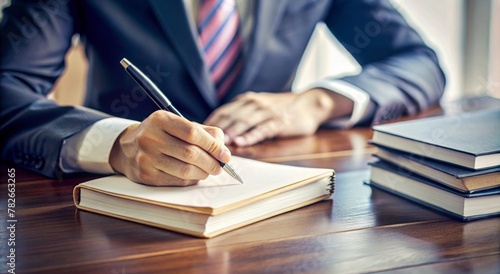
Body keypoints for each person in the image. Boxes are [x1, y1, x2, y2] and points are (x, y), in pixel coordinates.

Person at [0, 0, 445, 186]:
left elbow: (418, 62)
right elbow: (6, 88)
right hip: (116, 209)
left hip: (272, 198)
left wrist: (317, 102)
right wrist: (117, 144)